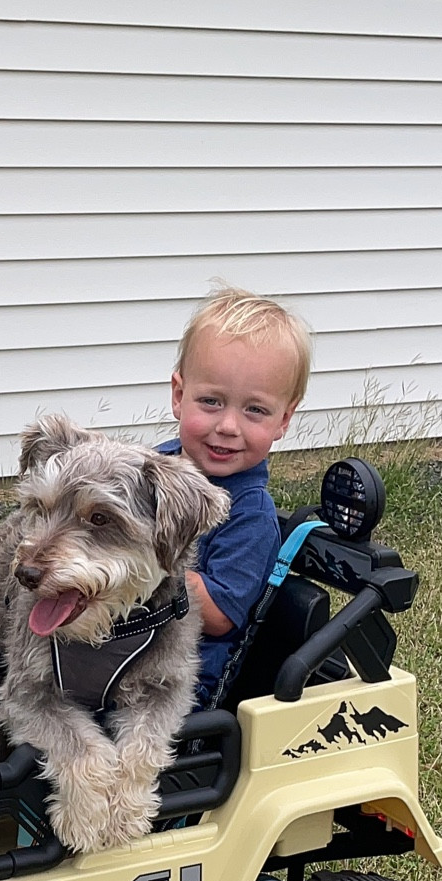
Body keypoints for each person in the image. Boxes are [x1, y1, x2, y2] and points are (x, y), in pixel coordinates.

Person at [156, 285, 312, 707]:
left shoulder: (249, 515)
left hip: (179, 681)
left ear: (284, 419)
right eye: (211, 401)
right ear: (178, 396)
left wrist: (141, 565)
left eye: (254, 410)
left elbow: (220, 617)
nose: (228, 426)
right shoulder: (156, 465)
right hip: (122, 645)